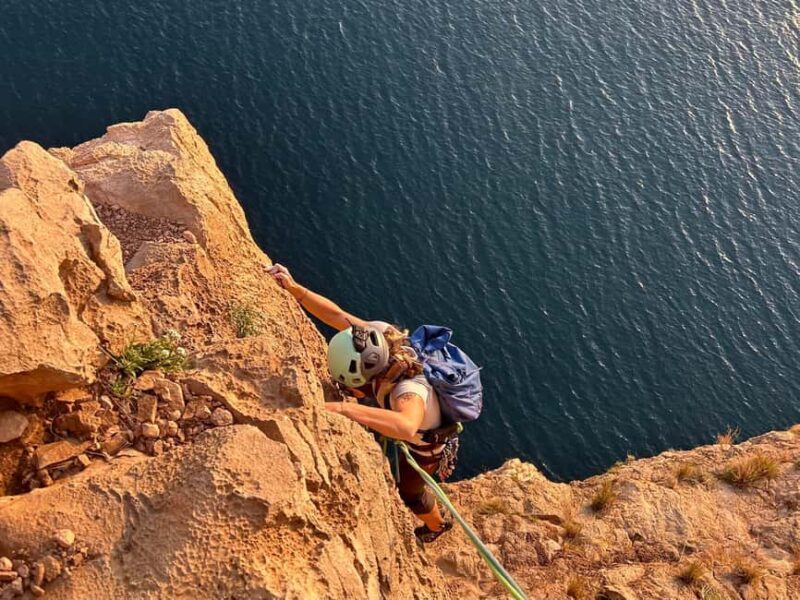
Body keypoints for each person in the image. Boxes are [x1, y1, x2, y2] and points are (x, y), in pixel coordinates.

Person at [268, 263, 455, 543]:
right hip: (404, 409)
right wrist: (297, 291)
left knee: (410, 493)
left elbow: (405, 426)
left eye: (351, 383)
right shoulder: (377, 337)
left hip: (426, 445)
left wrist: (344, 409)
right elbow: (338, 316)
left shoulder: (407, 392)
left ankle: (438, 526)